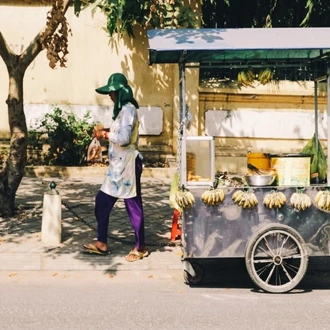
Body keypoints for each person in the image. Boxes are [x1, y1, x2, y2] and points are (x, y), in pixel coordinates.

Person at [83, 73, 148, 262]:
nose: (110, 96)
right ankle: (101, 242)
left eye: (112, 93)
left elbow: (125, 139)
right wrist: (107, 132)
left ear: (120, 92)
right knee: (101, 202)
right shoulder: (122, 111)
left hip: (128, 165)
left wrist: (105, 135)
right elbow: (119, 133)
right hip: (117, 167)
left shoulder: (128, 110)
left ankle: (140, 247)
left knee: (133, 207)